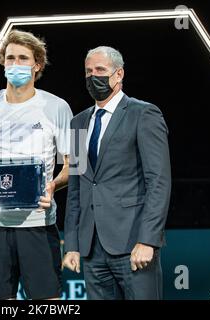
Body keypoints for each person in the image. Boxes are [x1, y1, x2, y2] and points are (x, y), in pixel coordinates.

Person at [0, 29, 73, 300]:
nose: (15, 64)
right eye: (10, 58)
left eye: (23, 58)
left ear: (37, 65)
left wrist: (52, 186)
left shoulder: (59, 107)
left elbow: (75, 166)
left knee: (47, 302)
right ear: (2, 62)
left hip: (39, 223)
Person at [62, 46, 171, 300]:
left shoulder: (143, 113)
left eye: (100, 70)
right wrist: (72, 244)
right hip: (91, 249)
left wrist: (149, 240)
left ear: (119, 74)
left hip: (133, 244)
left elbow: (158, 181)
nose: (93, 77)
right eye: (88, 72)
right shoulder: (77, 123)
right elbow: (76, 188)